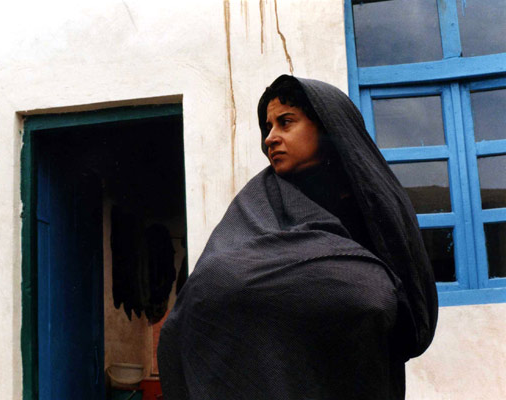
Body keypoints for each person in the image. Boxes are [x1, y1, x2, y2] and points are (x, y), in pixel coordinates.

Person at [157, 75, 438, 400]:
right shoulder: (259, 202)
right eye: (268, 127)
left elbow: (404, 302)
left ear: (326, 126)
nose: (270, 138)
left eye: (285, 123)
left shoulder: (374, 203)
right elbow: (214, 281)